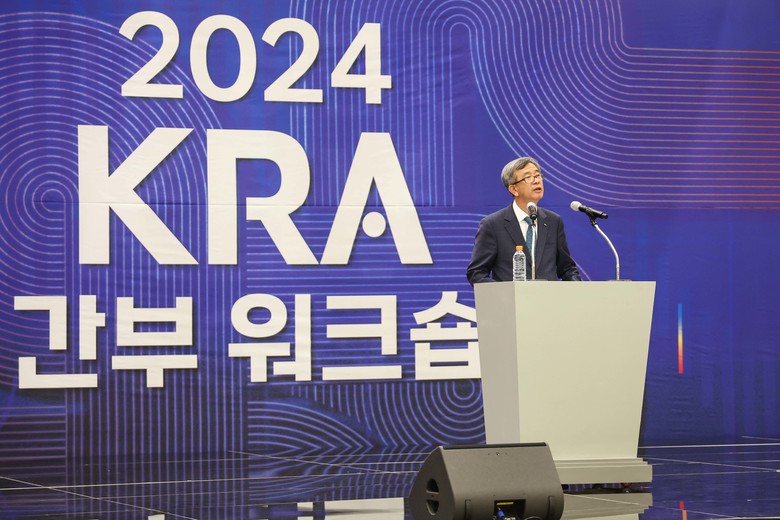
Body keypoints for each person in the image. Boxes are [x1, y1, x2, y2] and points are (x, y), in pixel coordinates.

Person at [467, 157, 581, 284]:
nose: (536, 181)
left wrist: (578, 287)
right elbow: (476, 273)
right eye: (528, 177)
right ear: (514, 189)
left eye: (537, 175)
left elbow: (567, 269)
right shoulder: (493, 224)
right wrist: (504, 292)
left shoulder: (553, 221)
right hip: (511, 297)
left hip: (548, 296)